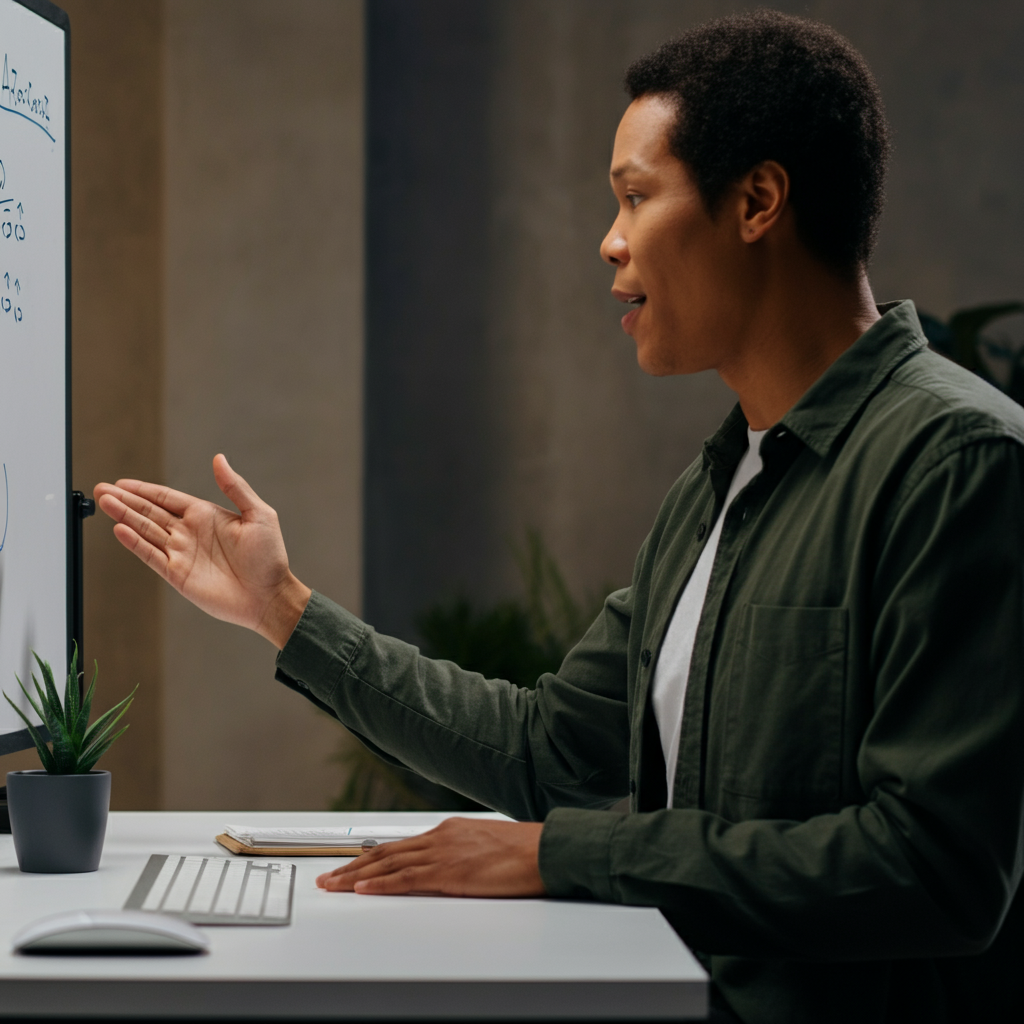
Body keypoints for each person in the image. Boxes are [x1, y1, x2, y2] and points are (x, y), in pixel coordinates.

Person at [95, 11, 1023, 1024]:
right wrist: (282, 608)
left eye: (634, 196)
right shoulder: (722, 483)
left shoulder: (957, 463)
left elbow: (933, 866)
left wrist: (561, 854)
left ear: (756, 202)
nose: (609, 239)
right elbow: (547, 750)